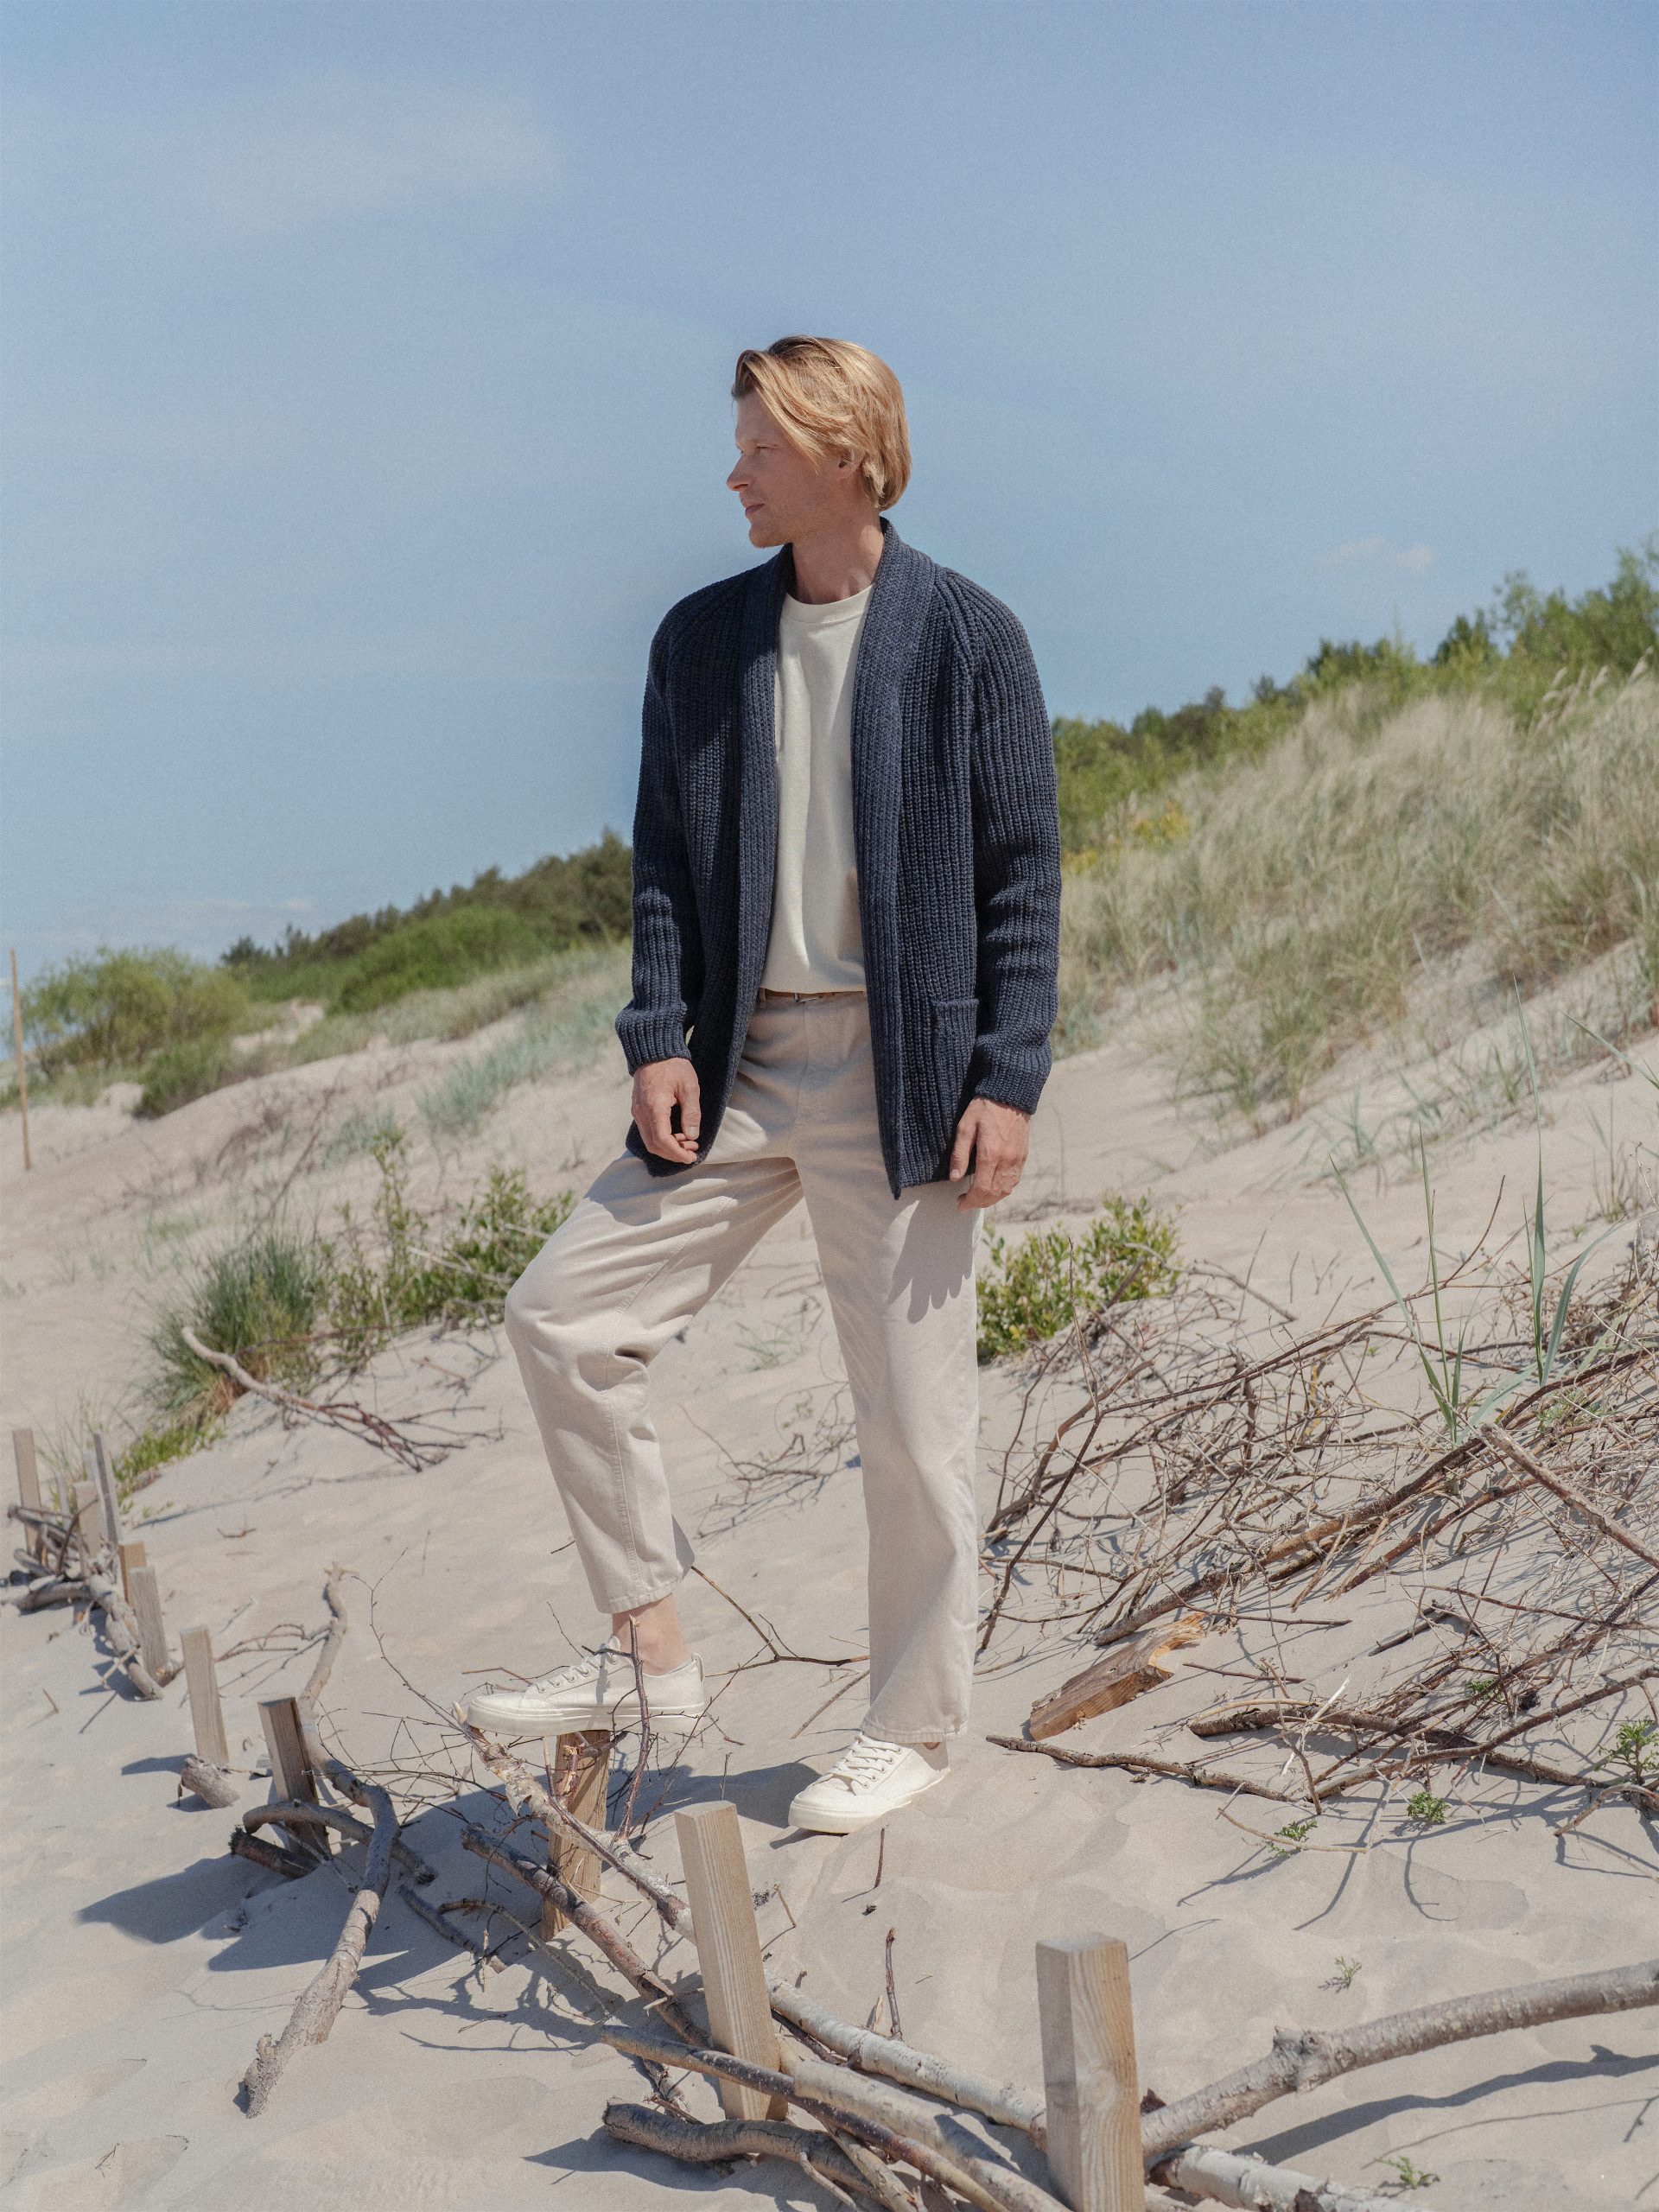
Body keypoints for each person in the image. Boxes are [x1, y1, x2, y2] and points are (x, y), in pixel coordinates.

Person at [466, 336, 1061, 1831]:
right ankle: (649, 1655)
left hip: (904, 1073)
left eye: (759, 447)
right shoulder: (700, 642)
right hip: (736, 1064)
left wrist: (1008, 1076)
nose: (732, 472)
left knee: (914, 1422)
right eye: (738, 444)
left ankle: (911, 1732)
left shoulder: (969, 638)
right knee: (561, 1315)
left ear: (846, 455)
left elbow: (1022, 878)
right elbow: (664, 865)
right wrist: (659, 1032)